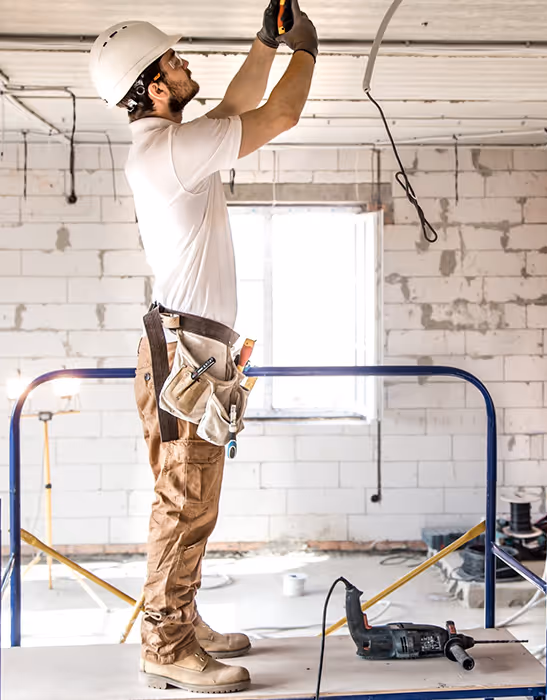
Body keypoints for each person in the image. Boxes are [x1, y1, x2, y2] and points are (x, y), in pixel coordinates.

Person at [89, 1, 317, 693]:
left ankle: (181, 619)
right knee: (184, 503)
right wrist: (304, 49)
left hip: (184, 347)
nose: (190, 69)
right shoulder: (171, 153)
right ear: (156, 88)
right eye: (176, 64)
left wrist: (263, 42)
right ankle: (165, 645)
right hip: (186, 351)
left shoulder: (169, 146)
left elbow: (237, 105)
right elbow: (277, 115)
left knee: (185, 498)